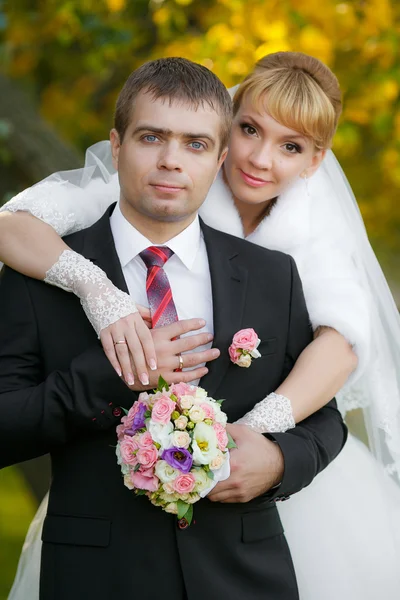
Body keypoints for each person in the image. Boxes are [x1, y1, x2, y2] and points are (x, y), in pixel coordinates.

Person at [1, 52, 400, 598]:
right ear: (117, 146)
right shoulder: (56, 262)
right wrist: (105, 317)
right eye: (250, 131)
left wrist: (271, 450)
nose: (259, 159)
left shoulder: (283, 270)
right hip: (100, 570)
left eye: (194, 144)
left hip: (246, 566)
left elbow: (332, 381)